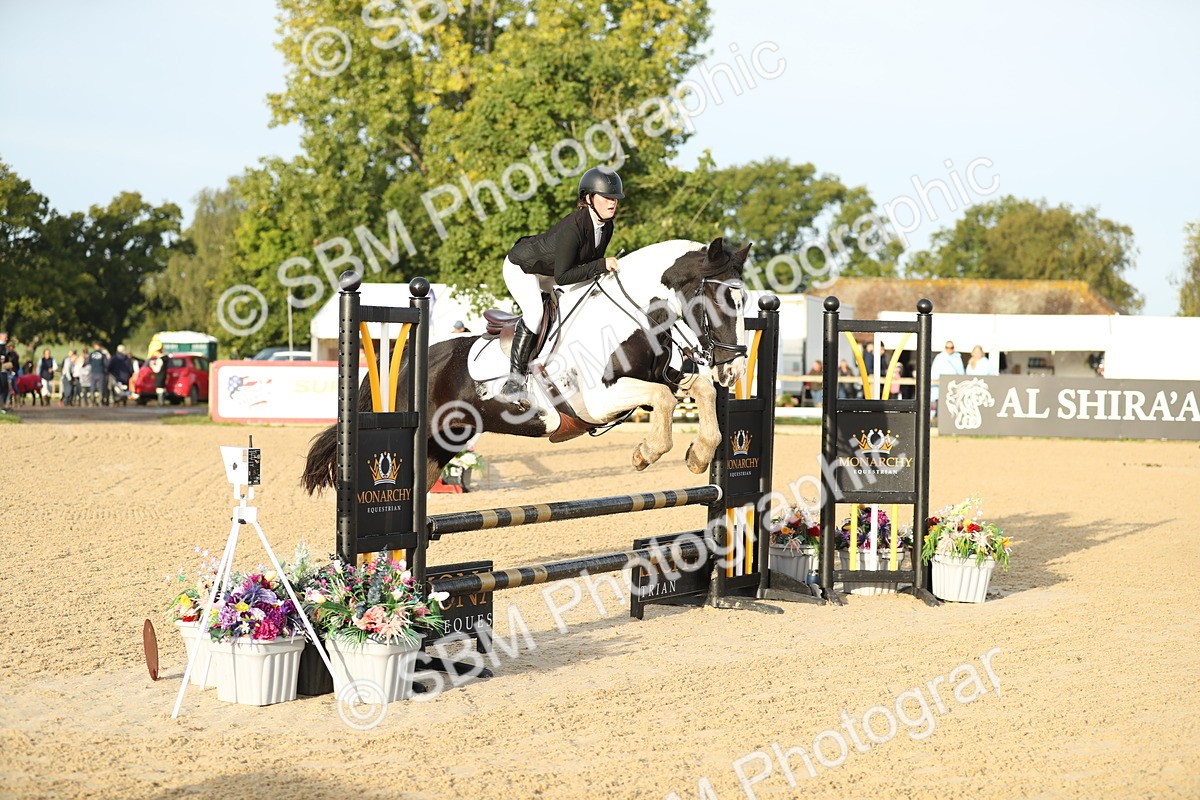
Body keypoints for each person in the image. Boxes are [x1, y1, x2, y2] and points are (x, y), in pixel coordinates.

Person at [501, 166, 623, 403]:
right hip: (523, 267)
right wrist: (601, 265)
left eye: (615, 198)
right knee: (536, 313)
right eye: (607, 197)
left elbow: (584, 267)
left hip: (553, 270)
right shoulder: (573, 227)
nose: (612, 203)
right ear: (589, 198)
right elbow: (565, 276)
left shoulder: (607, 226)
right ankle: (514, 381)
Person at [929, 340, 965, 415]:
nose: (949, 349)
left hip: (954, 387)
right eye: (947, 347)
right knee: (940, 406)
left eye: (951, 347)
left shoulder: (957, 358)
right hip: (941, 386)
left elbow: (961, 372)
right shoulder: (939, 357)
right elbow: (934, 372)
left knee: (954, 406)